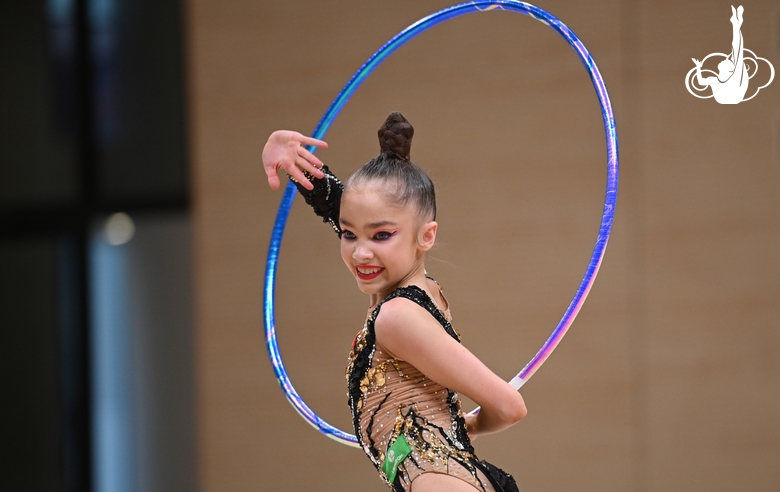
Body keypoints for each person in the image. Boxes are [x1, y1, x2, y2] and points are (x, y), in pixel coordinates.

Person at [263, 112, 527, 492]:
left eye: (381, 236)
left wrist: (460, 426)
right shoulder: (414, 294)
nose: (360, 253)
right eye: (349, 235)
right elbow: (357, 215)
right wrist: (298, 168)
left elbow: (509, 406)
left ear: (427, 236)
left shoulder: (397, 316)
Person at [692, 5, 748, 104]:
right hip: (730, 97)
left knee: (737, 51)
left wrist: (698, 67)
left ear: (729, 69)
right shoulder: (716, 80)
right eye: (727, 60)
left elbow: (738, 49)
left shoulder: (731, 77)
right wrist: (698, 67)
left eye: (726, 61)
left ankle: (736, 23)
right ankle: (736, 23)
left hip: (731, 96)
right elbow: (701, 82)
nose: (724, 59)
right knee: (737, 52)